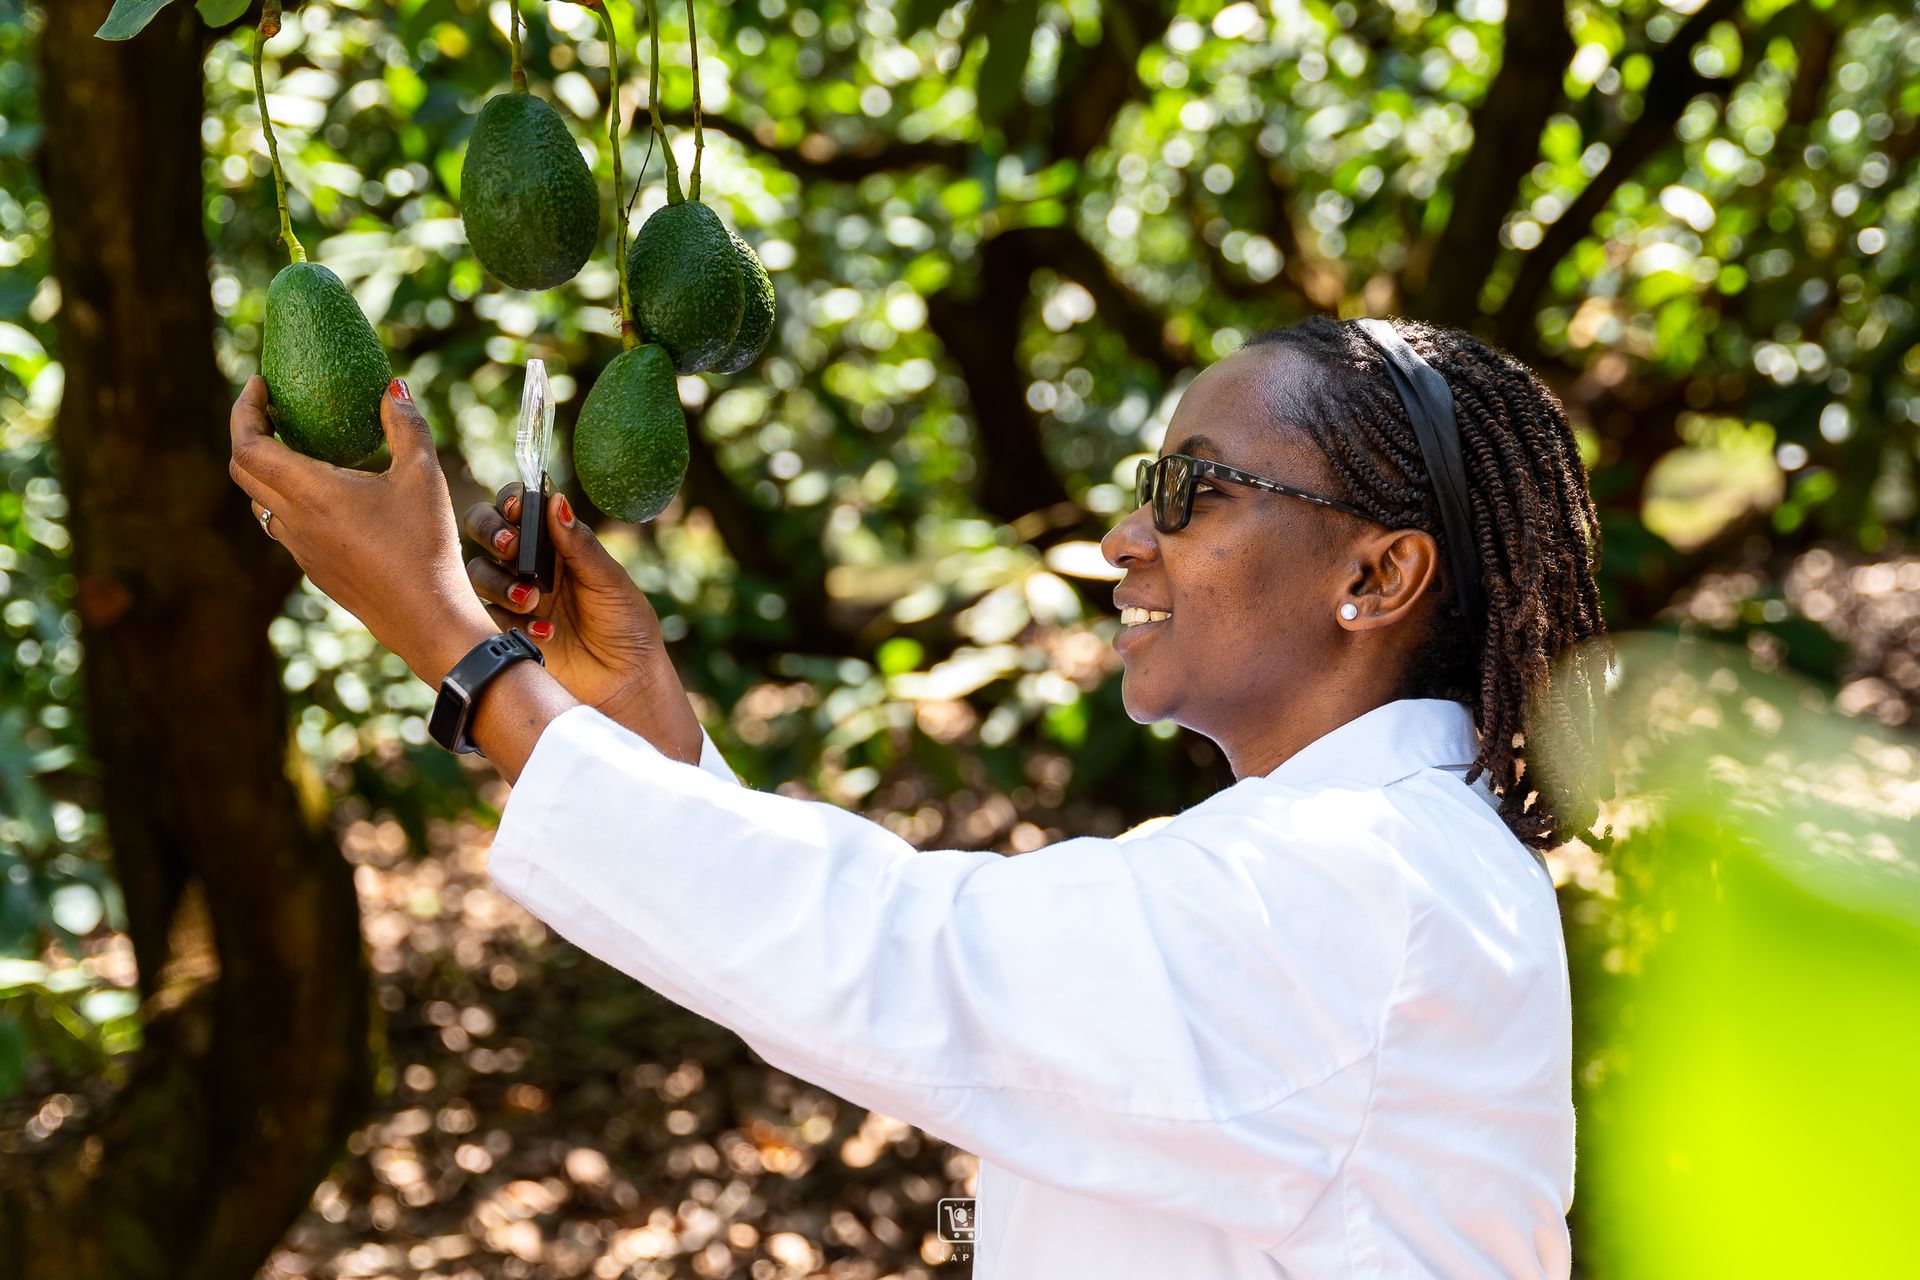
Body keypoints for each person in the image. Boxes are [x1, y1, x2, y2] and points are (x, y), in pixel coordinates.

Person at [227, 314, 1608, 1278]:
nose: (1127, 539)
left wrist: (458, 647)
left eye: (1191, 491)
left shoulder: (1363, 888)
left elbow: (901, 960)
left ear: (1376, 577)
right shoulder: (1346, 862)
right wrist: (642, 733)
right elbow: (950, 1000)